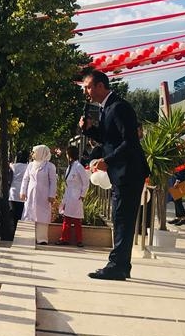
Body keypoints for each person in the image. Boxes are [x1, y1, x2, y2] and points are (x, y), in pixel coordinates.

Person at [80, 70, 149, 280]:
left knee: (122, 219)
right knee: (120, 218)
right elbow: (109, 138)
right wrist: (89, 130)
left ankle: (117, 266)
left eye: (88, 87)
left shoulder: (119, 107)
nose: (86, 92)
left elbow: (130, 142)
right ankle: (121, 265)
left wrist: (107, 161)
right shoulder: (106, 107)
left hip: (129, 172)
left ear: (101, 86)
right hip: (121, 173)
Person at [20, 145, 57, 245]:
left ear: (41, 153)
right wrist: (23, 191)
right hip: (31, 193)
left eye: (34, 152)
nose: (32, 154)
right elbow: (25, 179)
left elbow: (53, 182)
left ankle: (42, 239)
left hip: (44, 194)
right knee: (29, 213)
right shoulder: (30, 165)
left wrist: (52, 195)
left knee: (42, 216)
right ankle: (28, 237)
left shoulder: (50, 166)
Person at [57, 145, 90, 247]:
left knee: (76, 219)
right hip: (69, 195)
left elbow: (86, 182)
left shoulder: (79, 167)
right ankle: (64, 239)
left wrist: (82, 195)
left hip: (76, 196)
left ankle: (79, 240)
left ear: (69, 154)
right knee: (67, 218)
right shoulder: (70, 167)